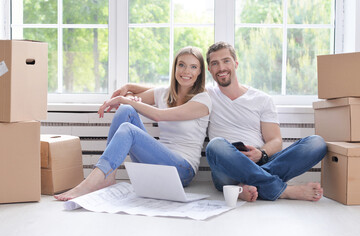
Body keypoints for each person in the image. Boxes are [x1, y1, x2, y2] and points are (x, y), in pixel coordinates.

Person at [55, 46, 212, 201]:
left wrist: (124, 98)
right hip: (154, 165)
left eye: (193, 67)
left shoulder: (202, 100)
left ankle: (90, 183)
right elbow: (134, 100)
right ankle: (108, 175)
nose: (186, 71)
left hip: (182, 171)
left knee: (128, 127)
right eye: (181, 65)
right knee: (126, 110)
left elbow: (159, 115)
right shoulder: (165, 93)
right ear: (175, 67)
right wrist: (128, 90)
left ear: (199, 72)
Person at [205, 41, 327, 202]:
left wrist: (260, 154)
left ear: (235, 63)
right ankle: (282, 191)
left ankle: (245, 186)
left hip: (261, 162)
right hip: (227, 170)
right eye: (215, 63)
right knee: (215, 145)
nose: (221, 68)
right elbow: (172, 90)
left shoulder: (262, 99)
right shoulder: (206, 95)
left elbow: (275, 141)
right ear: (209, 69)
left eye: (226, 61)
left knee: (316, 143)